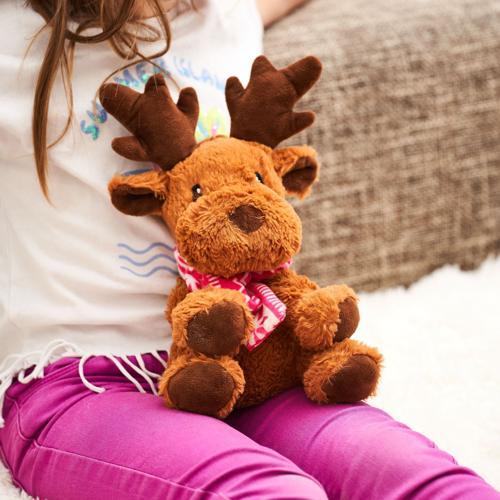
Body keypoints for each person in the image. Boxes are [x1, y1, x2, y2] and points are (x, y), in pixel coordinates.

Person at [0, 1, 498, 498]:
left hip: (254, 364)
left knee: (416, 475)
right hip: (85, 383)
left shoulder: (223, 16)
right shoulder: (15, 42)